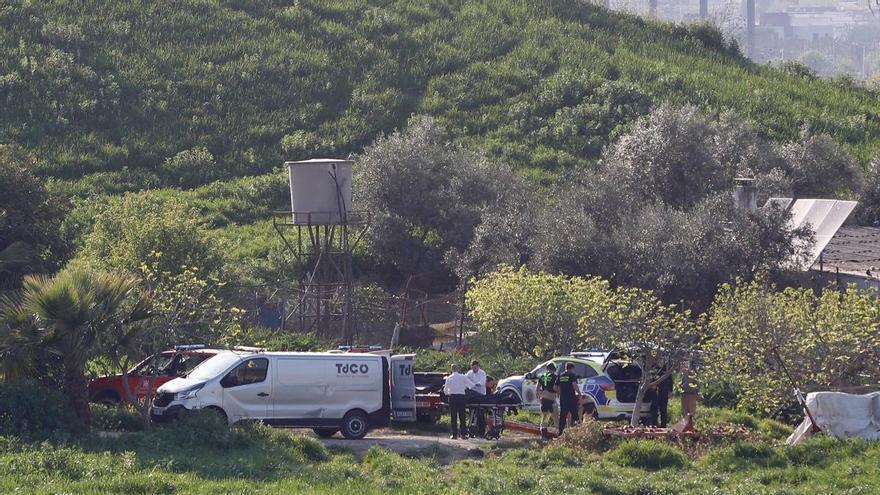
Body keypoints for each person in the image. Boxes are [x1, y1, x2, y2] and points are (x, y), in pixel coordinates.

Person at [444, 364, 476, 439]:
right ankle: (463, 434)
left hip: (452, 397)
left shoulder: (449, 378)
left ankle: (454, 434)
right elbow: (471, 385)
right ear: (458, 369)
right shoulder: (463, 377)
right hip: (461, 397)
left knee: (453, 416)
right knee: (462, 416)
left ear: (451, 369)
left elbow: (445, 390)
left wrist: (449, 393)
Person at [556, 362, 582, 436]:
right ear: (572, 368)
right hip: (571, 398)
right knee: (575, 414)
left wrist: (560, 394)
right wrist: (579, 394)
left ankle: (560, 432)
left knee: (563, 416)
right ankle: (579, 431)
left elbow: (555, 387)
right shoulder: (572, 375)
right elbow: (574, 385)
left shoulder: (560, 375)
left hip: (563, 399)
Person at [465, 360, 488, 436]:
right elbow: (465, 379)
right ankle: (472, 430)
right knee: (472, 413)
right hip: (473, 396)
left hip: (481, 396)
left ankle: (481, 432)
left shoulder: (482, 373)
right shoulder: (469, 373)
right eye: (473, 368)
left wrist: (473, 384)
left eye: (475, 367)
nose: (474, 369)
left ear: (478, 366)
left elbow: (481, 382)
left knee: (480, 415)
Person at [536, 363, 558, 439]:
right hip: (551, 399)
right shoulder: (555, 377)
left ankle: (544, 435)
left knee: (545, 417)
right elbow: (555, 388)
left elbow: (538, 387)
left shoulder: (543, 376)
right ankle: (558, 433)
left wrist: (538, 395)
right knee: (555, 417)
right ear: (554, 369)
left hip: (544, 399)